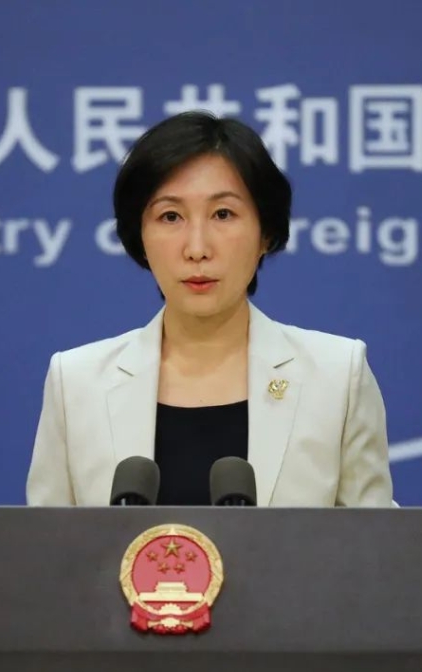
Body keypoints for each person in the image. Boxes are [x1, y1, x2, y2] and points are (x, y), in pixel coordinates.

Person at [26, 111, 396, 507]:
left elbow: (376, 542)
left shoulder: (337, 378)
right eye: (170, 216)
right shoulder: (77, 384)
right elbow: (47, 544)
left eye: (223, 214)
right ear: (140, 237)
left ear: (265, 233)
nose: (197, 248)